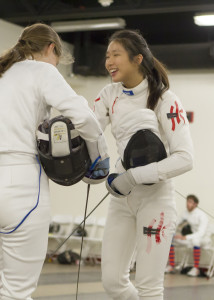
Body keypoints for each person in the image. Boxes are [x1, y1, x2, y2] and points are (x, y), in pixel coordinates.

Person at [0, 23, 109, 300]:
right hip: (20, 186)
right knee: (15, 291)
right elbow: (83, 117)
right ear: (51, 48)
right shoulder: (42, 70)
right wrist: (99, 157)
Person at [93, 29, 194, 300]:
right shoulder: (108, 95)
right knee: (113, 282)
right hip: (121, 200)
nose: (109, 62)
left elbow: (185, 158)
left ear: (137, 59)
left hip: (156, 201)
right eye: (107, 56)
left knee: (149, 288)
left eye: (116, 55)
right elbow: (90, 134)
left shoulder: (164, 98)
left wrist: (134, 176)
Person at [165, 194, 211, 277]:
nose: (187, 204)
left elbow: (201, 233)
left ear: (195, 204)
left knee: (196, 241)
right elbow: (176, 223)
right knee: (171, 239)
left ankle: (196, 268)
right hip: (192, 238)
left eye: (190, 202)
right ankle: (171, 266)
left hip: (204, 239)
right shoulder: (185, 213)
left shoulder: (202, 215)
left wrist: (185, 237)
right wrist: (169, 231)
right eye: (187, 201)